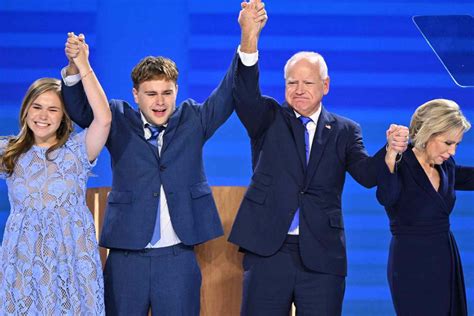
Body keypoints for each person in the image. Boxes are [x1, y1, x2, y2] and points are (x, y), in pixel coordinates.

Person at [60, 5, 265, 313]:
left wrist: (248, 39)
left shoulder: (193, 119)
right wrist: (76, 68)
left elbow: (228, 93)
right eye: (151, 93)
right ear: (136, 95)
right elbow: (80, 110)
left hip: (177, 258)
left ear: (176, 91)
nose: (160, 101)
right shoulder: (116, 117)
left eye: (166, 93)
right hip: (126, 256)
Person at [227, 1, 409, 315]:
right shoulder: (267, 117)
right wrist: (249, 37)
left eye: (307, 83)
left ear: (325, 86)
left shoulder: (344, 130)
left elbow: (367, 175)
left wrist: (390, 151)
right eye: (291, 82)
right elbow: (243, 93)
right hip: (269, 249)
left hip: (322, 254)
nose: (298, 90)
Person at [0, 33, 110, 315]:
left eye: (53, 109)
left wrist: (81, 65)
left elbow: (104, 118)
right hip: (21, 267)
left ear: (64, 116)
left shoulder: (77, 150)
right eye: (37, 107)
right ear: (25, 111)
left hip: (71, 262)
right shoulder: (8, 151)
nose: (43, 115)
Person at [377, 99, 473, 315]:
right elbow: (386, 196)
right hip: (411, 263)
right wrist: (391, 155)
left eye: (457, 144)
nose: (453, 151)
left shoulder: (446, 165)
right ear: (428, 133)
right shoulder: (399, 163)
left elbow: (469, 177)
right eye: (448, 143)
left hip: (445, 257)